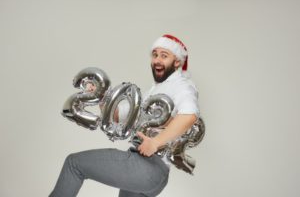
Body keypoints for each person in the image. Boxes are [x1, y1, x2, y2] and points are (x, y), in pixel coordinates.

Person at [49, 34, 200, 197]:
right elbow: (118, 118)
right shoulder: (155, 91)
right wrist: (100, 97)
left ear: (177, 61)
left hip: (146, 166)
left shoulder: (181, 86)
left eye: (164, 56)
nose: (157, 60)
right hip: (152, 175)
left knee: (74, 164)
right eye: (155, 55)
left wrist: (155, 143)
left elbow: (189, 115)